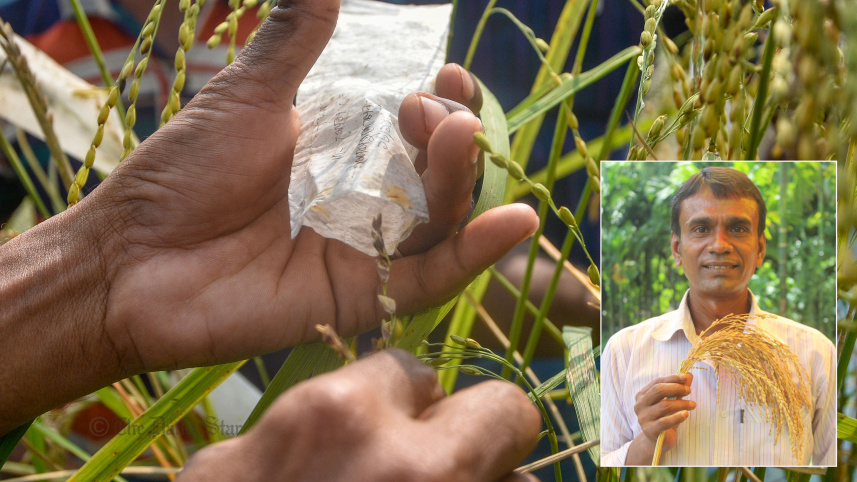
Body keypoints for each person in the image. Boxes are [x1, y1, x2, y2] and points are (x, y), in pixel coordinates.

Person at [0, 1, 544, 479]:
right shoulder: (22, 28)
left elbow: (529, 269)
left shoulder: (388, 28)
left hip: (375, 417)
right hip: (94, 433)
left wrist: (616, 323)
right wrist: (104, 275)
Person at [600, 166, 836, 466]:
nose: (719, 246)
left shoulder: (813, 353)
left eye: (737, 228)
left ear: (760, 248)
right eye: (701, 229)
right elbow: (603, 465)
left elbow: (829, 470)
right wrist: (647, 444)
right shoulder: (625, 351)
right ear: (676, 248)